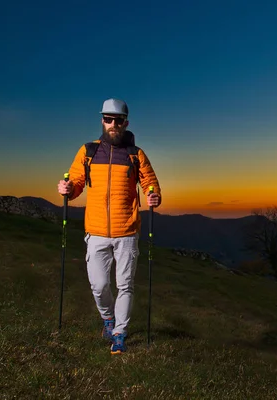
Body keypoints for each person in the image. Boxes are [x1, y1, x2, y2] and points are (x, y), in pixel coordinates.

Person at [57, 98, 161, 355]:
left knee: (125, 285)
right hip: (95, 231)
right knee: (99, 286)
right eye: (108, 119)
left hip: (127, 232)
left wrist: (154, 195)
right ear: (102, 120)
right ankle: (108, 321)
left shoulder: (136, 155)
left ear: (126, 122)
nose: (113, 124)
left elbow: (151, 184)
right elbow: (77, 184)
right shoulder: (88, 151)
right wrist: (67, 190)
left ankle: (120, 334)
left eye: (118, 120)